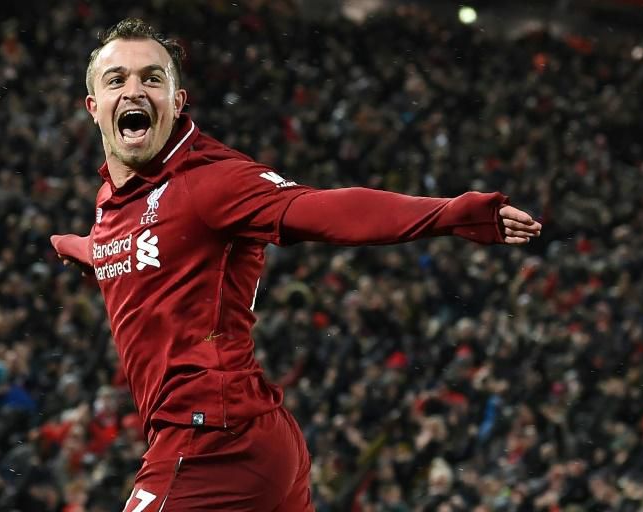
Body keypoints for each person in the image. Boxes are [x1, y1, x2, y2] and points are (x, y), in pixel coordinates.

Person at [50, 18, 541, 512]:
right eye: (117, 80)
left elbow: (326, 209)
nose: (135, 90)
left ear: (177, 103)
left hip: (213, 442)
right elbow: (137, 246)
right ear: (94, 107)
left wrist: (452, 213)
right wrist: (81, 249)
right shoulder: (113, 199)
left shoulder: (211, 183)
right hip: (258, 438)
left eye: (152, 78)